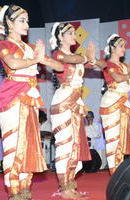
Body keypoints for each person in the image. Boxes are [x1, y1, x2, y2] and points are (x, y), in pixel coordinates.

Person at [0, 5, 63, 200]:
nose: (27, 25)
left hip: (31, 98)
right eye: (21, 21)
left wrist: (43, 59)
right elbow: (13, 64)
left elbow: (59, 66)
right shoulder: (4, 45)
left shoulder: (29, 48)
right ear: (9, 23)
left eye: (27, 21)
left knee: (28, 145)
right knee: (13, 145)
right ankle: (14, 191)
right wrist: (34, 59)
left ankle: (25, 190)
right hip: (12, 98)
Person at [49, 22, 103, 199]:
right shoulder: (58, 54)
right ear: (59, 37)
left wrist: (92, 57)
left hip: (75, 101)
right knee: (64, 145)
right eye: (70, 33)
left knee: (74, 145)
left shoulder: (74, 55)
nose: (74, 35)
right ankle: (64, 189)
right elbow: (75, 60)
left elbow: (99, 65)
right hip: (64, 101)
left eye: (74, 32)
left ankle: (70, 186)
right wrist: (86, 57)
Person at [97, 34, 130, 174]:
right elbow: (117, 78)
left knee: (121, 138)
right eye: (121, 46)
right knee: (113, 139)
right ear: (112, 48)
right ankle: (115, 172)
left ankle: (119, 170)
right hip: (111, 103)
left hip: (123, 103)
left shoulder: (124, 66)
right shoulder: (108, 64)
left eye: (124, 46)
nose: (124, 49)